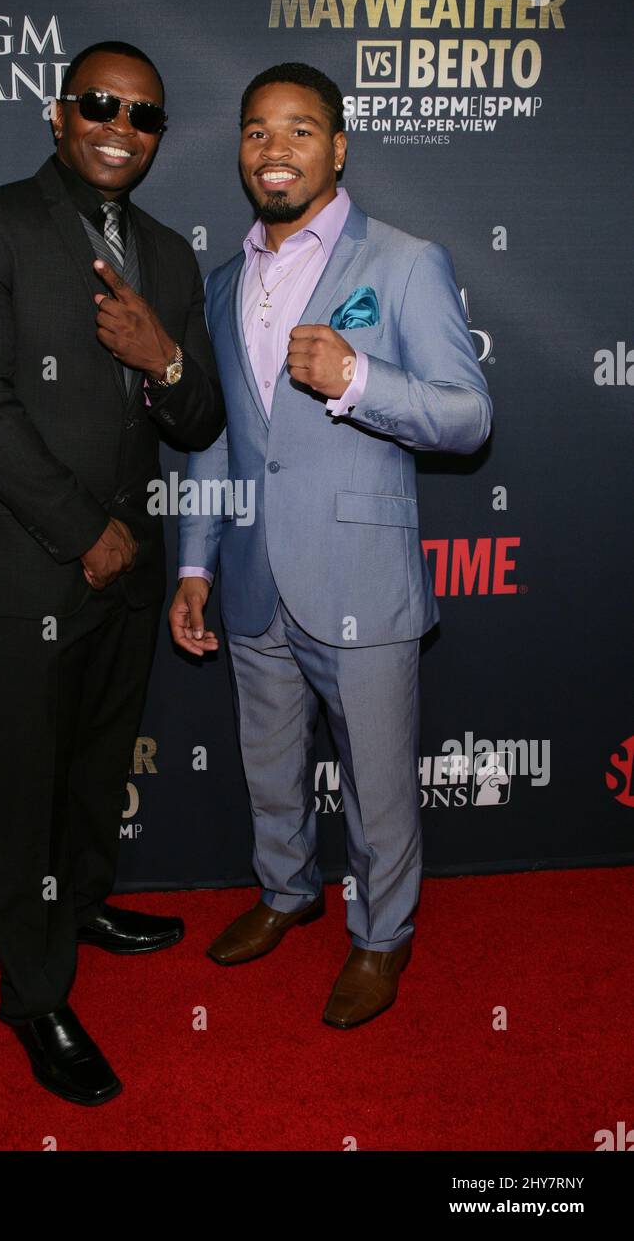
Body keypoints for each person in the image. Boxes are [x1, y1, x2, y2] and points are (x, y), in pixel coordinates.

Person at [0, 40, 225, 1104]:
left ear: (154, 138)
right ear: (59, 114)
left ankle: (82, 899)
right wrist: (80, 528)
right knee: (32, 780)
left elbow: (200, 414)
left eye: (142, 115)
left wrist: (165, 358)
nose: (118, 125)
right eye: (99, 103)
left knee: (99, 765)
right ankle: (34, 993)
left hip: (130, 568)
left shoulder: (170, 255)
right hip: (26, 566)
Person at [169, 61, 492, 1029]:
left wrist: (359, 379)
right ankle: (284, 892)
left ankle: (380, 934)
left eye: (300, 129)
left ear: (337, 147)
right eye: (257, 130)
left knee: (377, 784)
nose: (276, 149)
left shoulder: (401, 261)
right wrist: (192, 562)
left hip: (359, 575)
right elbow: (217, 435)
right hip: (250, 575)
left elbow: (468, 416)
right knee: (267, 762)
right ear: (239, 151)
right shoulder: (225, 281)